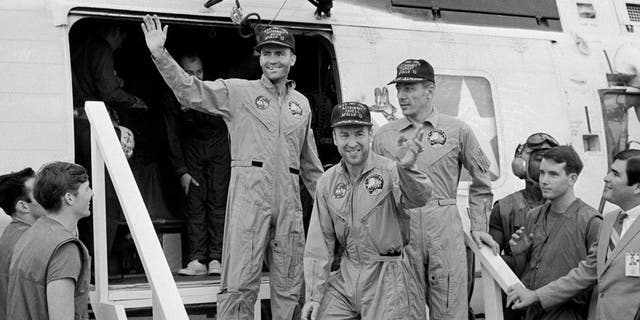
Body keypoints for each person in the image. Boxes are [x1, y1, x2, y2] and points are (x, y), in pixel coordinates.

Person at [141, 15, 324, 319]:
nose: (272, 59)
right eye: (266, 53)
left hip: (289, 205)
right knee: (238, 288)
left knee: (291, 289)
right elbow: (191, 90)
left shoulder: (301, 104)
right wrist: (161, 55)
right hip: (249, 201)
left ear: (292, 58)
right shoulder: (239, 91)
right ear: (259, 57)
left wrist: (336, 209)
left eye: (279, 53)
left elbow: (311, 165)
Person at [372, 58, 498, 319]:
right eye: (399, 89)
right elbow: (374, 189)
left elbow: (482, 181)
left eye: (409, 88)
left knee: (451, 309)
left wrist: (479, 225)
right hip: (402, 230)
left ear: (429, 90)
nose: (402, 96)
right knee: (405, 310)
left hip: (444, 228)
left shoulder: (457, 130)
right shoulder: (384, 136)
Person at [301, 102, 432, 320]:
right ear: (334, 138)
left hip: (387, 274)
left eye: (359, 134)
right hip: (348, 273)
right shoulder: (327, 182)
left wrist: (407, 168)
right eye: (344, 135)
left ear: (370, 135)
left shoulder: (390, 170)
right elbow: (319, 244)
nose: (352, 143)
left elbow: (419, 197)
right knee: (321, 314)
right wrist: (314, 295)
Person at [507, 149, 640, 320]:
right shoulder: (610, 221)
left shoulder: (591, 220)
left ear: (637, 187)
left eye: (615, 174)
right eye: (542, 173)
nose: (606, 178)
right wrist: (536, 295)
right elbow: (586, 272)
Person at [71, 22, 145, 260]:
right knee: (108, 196)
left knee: (83, 191)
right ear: (115, 31)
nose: (120, 44)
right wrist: (137, 101)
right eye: (121, 39)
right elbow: (110, 92)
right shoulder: (101, 48)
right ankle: (99, 259)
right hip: (97, 126)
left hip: (78, 124)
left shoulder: (78, 47)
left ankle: (87, 256)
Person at [506, 146, 601, 319]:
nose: (544, 180)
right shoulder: (533, 216)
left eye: (553, 174)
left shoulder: (590, 221)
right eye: (542, 173)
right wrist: (519, 254)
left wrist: (539, 296)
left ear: (572, 179)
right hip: (532, 314)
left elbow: (592, 276)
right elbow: (526, 274)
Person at [161, 53, 230, 276]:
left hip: (219, 149)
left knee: (218, 203)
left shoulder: (214, 90)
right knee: (194, 204)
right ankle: (197, 260)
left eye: (199, 72)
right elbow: (171, 135)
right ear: (180, 72)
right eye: (189, 73)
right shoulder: (172, 94)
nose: (195, 77)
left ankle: (217, 259)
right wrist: (181, 170)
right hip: (190, 150)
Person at [7, 162, 93, 320]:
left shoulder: (30, 234)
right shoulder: (64, 248)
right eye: (86, 188)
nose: (92, 193)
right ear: (69, 198)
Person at [489, 133, 559, 320]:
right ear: (522, 165)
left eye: (552, 159)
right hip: (517, 301)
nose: (546, 165)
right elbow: (493, 263)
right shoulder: (503, 209)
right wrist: (515, 254)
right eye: (539, 158)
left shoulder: (573, 211)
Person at [0, 168, 47, 317]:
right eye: (39, 193)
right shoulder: (30, 240)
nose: (48, 195)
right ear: (23, 206)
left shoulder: (11, 233)